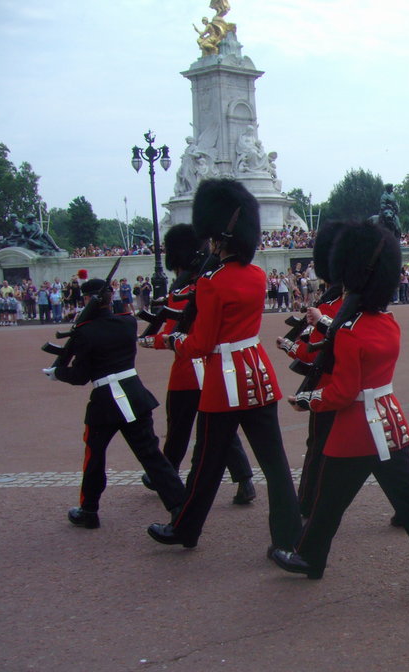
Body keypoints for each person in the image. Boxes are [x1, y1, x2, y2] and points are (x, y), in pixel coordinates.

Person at [269, 221, 409, 593]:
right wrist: (327, 323)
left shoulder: (351, 331)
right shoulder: (386, 322)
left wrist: (306, 400)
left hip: (356, 427)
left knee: (329, 498)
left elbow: (341, 392)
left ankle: (310, 557)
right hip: (388, 421)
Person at [146, 179, 302, 556]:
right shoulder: (257, 275)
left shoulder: (211, 283)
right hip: (258, 375)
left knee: (206, 464)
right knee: (275, 464)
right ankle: (288, 536)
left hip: (224, 381)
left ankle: (185, 529)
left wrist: (169, 340)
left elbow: (200, 344)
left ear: (217, 238)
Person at [42, 279, 185, 530]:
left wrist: (58, 373)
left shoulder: (85, 331)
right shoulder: (127, 322)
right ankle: (180, 507)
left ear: (87, 299)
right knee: (152, 457)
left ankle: (89, 510)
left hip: (104, 403)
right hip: (135, 395)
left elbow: (80, 376)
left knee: (94, 458)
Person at [138, 223, 256, 506]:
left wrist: (150, 341)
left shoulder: (185, 293)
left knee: (178, 429)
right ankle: (244, 480)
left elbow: (168, 333)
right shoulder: (207, 284)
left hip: (187, 370)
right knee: (221, 431)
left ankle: (166, 475)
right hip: (213, 370)